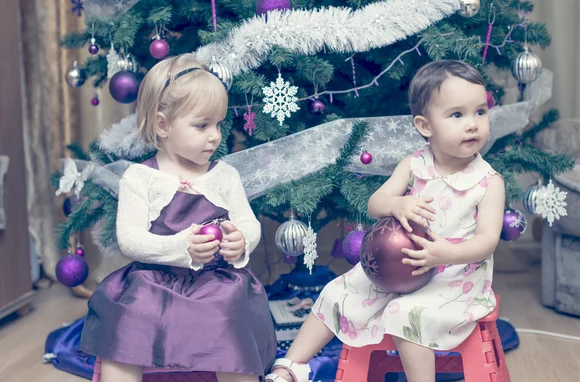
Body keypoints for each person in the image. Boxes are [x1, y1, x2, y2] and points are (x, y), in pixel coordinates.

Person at [265, 60, 505, 382]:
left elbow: (487, 241)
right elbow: (375, 203)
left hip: (455, 278)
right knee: (340, 290)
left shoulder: (488, 181)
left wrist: (446, 253)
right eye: (457, 115)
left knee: (404, 313)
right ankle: (291, 365)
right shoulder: (414, 164)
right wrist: (398, 203)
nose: (473, 124)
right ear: (425, 126)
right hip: (397, 267)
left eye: (480, 112)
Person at [80, 53, 276, 382]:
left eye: (218, 124)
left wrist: (241, 241)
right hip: (154, 278)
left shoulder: (224, 176)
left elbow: (248, 222)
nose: (214, 136)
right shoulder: (140, 178)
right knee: (127, 317)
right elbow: (130, 238)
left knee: (228, 315)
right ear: (162, 124)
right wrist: (181, 247)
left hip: (216, 281)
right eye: (202, 125)